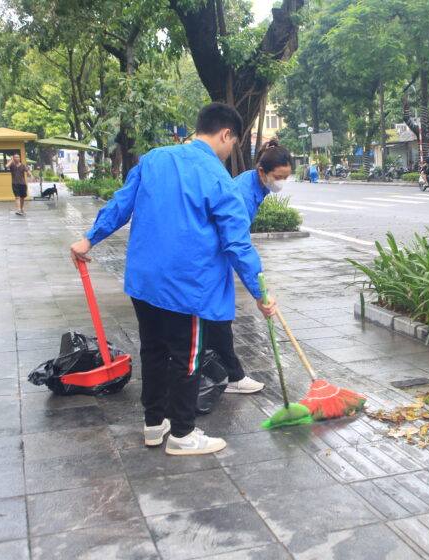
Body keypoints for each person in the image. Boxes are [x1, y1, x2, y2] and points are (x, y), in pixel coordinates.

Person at [69, 103, 277, 456]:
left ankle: (154, 424)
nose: (230, 152)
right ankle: (182, 434)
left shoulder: (153, 159)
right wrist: (260, 292)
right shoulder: (216, 177)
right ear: (226, 134)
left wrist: (89, 238)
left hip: (145, 280)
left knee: (153, 350)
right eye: (233, 144)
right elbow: (237, 242)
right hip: (187, 285)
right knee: (187, 357)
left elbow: (122, 203)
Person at [202, 139, 294, 395]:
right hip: (211, 256)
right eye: (278, 176)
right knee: (218, 316)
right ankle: (232, 377)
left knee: (215, 317)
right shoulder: (243, 194)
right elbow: (238, 245)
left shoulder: (254, 184)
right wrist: (259, 293)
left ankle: (221, 373)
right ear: (262, 171)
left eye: (286, 177)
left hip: (216, 253)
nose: (281, 183)